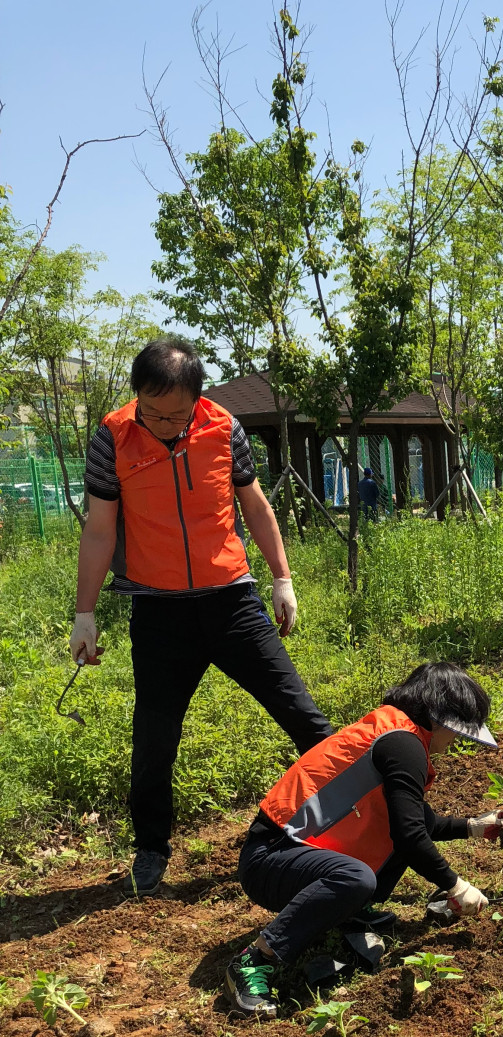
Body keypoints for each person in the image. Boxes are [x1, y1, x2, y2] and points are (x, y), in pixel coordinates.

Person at [70, 337, 333, 896]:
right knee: (154, 742)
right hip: (159, 614)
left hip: (232, 603)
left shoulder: (224, 428)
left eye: (177, 414)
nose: (165, 424)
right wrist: (84, 614)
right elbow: (99, 530)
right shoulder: (111, 439)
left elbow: (255, 507)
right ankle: (151, 850)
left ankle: (356, 812)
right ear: (136, 394)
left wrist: (282, 578)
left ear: (198, 399)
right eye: (153, 411)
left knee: (303, 717)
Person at [225, 662, 503, 1018]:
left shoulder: (395, 732)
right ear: (439, 719)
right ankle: (255, 959)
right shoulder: (404, 745)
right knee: (356, 878)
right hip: (269, 860)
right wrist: (456, 886)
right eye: (456, 732)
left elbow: (413, 821)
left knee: (378, 858)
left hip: (288, 854)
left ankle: (349, 912)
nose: (455, 742)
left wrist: (473, 826)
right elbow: (410, 836)